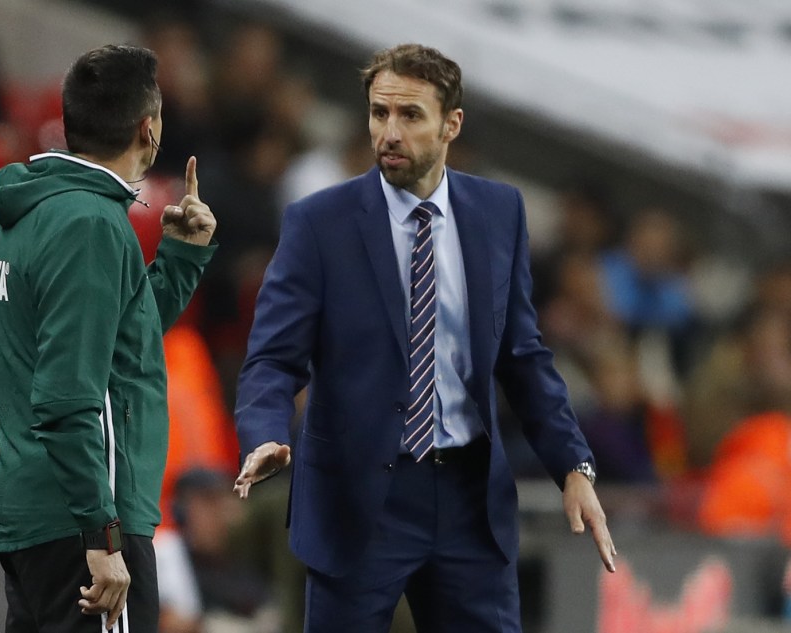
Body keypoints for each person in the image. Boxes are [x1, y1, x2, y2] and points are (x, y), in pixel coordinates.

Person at [233, 43, 615, 633]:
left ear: (450, 124)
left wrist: (573, 465)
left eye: (410, 115)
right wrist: (261, 433)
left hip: (468, 497)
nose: (389, 131)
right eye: (379, 113)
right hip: (358, 501)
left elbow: (524, 356)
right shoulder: (319, 223)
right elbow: (273, 360)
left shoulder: (499, 212)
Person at [0, 44, 216, 632]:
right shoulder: (90, 223)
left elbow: (118, 347)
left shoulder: (29, 214)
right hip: (84, 520)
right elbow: (68, 395)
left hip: (33, 511)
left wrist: (181, 257)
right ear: (149, 126)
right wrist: (101, 533)